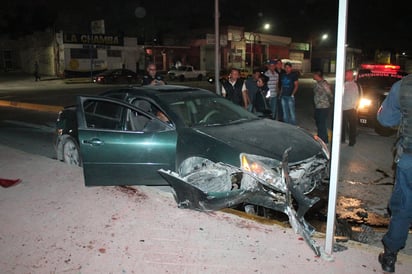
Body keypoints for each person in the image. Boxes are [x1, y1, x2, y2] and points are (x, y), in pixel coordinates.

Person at [376, 74, 412, 273]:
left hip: (409, 159)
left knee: (403, 208)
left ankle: (390, 257)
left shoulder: (404, 85)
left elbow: (385, 118)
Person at [312, 69, 333, 144]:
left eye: (314, 75)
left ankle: (323, 139)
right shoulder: (317, 83)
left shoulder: (324, 83)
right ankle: (322, 138)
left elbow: (329, 93)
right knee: (319, 122)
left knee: (321, 123)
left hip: (323, 106)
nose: (313, 76)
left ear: (317, 75)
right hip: (318, 106)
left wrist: (329, 102)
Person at [342, 70, 359, 146]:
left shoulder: (355, 85)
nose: (345, 75)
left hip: (351, 109)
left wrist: (355, 106)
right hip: (343, 108)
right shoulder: (344, 84)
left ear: (351, 76)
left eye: (347, 74)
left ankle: (352, 141)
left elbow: (358, 96)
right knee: (342, 125)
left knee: (352, 127)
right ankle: (341, 139)